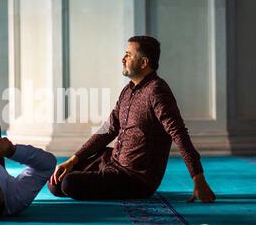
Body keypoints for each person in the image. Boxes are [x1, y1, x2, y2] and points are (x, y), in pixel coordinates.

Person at [48, 36, 216, 204]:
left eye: (128, 55)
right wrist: (72, 160)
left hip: (135, 179)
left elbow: (178, 133)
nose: (123, 59)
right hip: (111, 162)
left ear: (143, 62)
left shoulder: (157, 91)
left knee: (69, 184)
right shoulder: (127, 91)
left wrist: (198, 178)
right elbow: (107, 131)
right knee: (55, 183)